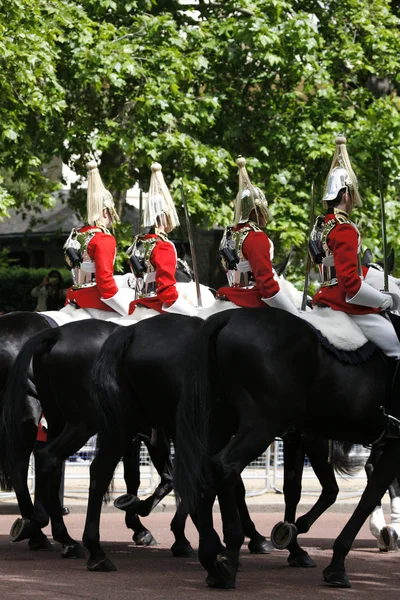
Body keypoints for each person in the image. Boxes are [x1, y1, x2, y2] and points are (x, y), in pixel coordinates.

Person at [309, 135, 400, 360]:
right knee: (398, 347)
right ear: (347, 195)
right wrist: (383, 300)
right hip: (344, 302)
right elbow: (350, 283)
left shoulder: (320, 225)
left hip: (322, 295)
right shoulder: (344, 228)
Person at [216, 156, 298, 314]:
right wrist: (294, 313)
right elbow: (267, 285)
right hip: (253, 299)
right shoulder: (255, 237)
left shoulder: (230, 234)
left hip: (230, 294)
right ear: (256, 209)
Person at [61, 160, 135, 320]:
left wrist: (122, 280)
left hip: (73, 298)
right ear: (105, 212)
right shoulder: (103, 239)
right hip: (95, 301)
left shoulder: (77, 235)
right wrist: (129, 313)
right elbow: (105, 285)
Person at [128, 163, 199, 317]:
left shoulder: (139, 243)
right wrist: (193, 313)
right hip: (156, 308)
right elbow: (166, 290)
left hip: (138, 306)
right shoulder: (163, 246)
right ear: (166, 215)